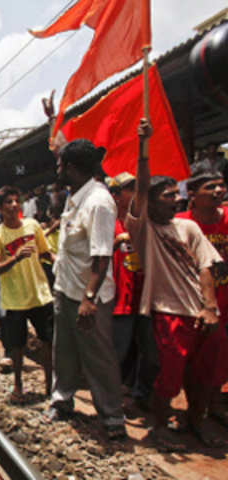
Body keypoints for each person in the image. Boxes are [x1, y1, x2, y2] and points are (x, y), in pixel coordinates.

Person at [126, 119, 225, 450]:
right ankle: (159, 426)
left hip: (202, 314)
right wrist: (144, 146)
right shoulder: (144, 230)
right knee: (168, 379)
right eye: (167, 196)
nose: (175, 201)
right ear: (151, 202)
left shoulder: (189, 230)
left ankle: (196, 421)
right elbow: (139, 189)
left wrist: (210, 307)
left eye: (175, 195)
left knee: (202, 374)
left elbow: (206, 268)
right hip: (169, 314)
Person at [45, 137, 126, 440]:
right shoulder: (76, 193)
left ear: (72, 168)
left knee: (97, 355)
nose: (56, 168)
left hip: (87, 296)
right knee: (63, 349)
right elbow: (61, 152)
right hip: (66, 288)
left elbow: (102, 254)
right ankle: (62, 401)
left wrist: (89, 299)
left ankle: (112, 416)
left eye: (60, 164)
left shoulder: (99, 202)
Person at [0, 186, 54, 400]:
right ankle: (18, 385)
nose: (14, 205)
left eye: (17, 201)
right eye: (9, 202)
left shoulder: (33, 226)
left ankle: (50, 386)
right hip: (14, 298)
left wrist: (59, 262)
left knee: (47, 340)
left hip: (39, 293)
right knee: (16, 345)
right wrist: (15, 258)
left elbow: (45, 253)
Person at [175, 163, 228, 429]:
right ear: (193, 194)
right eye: (211, 187)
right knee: (201, 358)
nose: (219, 190)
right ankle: (198, 409)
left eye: (221, 185)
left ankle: (215, 404)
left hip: (226, 299)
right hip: (198, 303)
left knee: (221, 356)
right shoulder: (182, 224)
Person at [108, 172, 158, 408]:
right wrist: (116, 242)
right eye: (130, 189)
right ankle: (112, 401)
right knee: (118, 353)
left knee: (149, 354)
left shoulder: (144, 222)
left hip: (145, 299)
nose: (137, 194)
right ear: (116, 195)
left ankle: (141, 395)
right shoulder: (105, 222)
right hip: (119, 300)